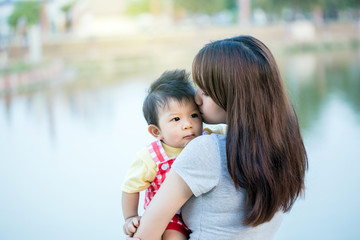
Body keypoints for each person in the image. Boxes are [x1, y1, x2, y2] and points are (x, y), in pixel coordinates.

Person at [129, 35, 308, 240]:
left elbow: (144, 235)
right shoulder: (286, 147)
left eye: (205, 92)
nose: (195, 99)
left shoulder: (206, 149)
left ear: (233, 95)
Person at [121, 70, 226, 240]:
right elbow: (130, 188)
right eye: (176, 119)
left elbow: (234, 129)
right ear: (157, 131)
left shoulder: (210, 137)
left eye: (194, 115)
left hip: (199, 212)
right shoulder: (151, 157)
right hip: (169, 217)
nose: (188, 124)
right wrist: (130, 217)